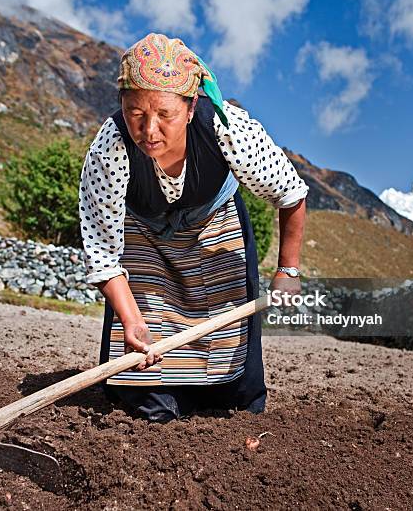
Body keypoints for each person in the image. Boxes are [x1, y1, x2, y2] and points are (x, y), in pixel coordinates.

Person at [79, 33, 308, 422]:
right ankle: (160, 398)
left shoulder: (228, 129)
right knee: (144, 392)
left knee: (232, 395)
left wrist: (288, 269)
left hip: (215, 225)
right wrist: (133, 321)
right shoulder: (110, 148)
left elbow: (290, 194)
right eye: (136, 113)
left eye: (164, 114)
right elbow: (102, 252)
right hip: (142, 234)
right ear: (121, 104)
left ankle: (219, 394)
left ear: (190, 108)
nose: (149, 130)